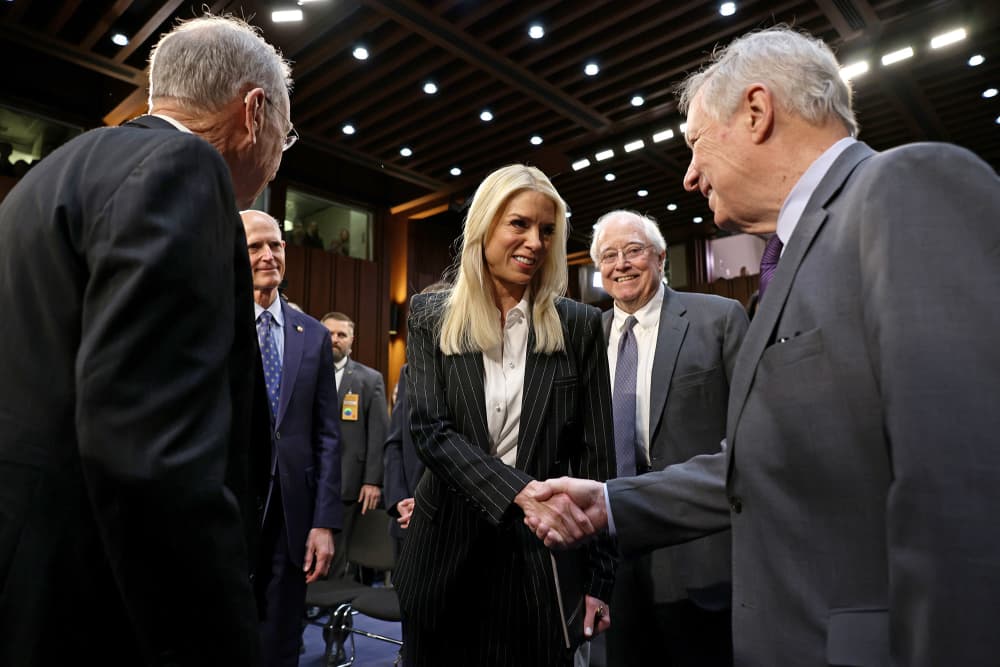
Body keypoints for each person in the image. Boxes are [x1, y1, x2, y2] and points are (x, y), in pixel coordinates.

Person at [527, 26, 1000, 667]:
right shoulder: (789, 264)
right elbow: (753, 465)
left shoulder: (906, 186)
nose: (690, 176)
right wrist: (610, 500)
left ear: (756, 111)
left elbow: (965, 489)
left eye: (694, 144)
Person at [0, 14, 294, 665]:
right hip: (102, 605)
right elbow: (152, 454)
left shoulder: (52, 174)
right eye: (287, 131)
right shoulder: (185, 168)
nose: (281, 148)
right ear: (254, 111)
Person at [396, 164, 616, 667]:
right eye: (519, 224)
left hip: (542, 561)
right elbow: (430, 431)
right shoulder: (431, 315)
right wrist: (519, 493)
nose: (534, 242)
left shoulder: (580, 326)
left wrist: (601, 580)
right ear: (484, 226)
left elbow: (597, 458)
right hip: (442, 556)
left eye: (546, 230)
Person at [590, 210, 747, 667]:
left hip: (701, 552)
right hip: (616, 550)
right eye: (608, 256)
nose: (621, 264)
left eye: (633, 250)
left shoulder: (719, 319)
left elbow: (749, 433)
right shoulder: (585, 337)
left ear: (660, 258)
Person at [241, 209, 343, 667]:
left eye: (276, 245)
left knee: (283, 640)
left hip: (292, 516)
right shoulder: (216, 324)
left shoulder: (314, 336)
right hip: (229, 511)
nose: (268, 255)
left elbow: (327, 435)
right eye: (254, 246)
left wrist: (324, 522)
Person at [319, 312, 389, 580]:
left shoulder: (369, 380)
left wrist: (373, 480)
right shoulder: (304, 371)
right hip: (308, 477)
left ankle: (332, 609)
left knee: (339, 551)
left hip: (347, 479)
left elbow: (378, 433)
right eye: (329, 334)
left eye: (341, 335)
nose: (334, 340)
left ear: (352, 341)